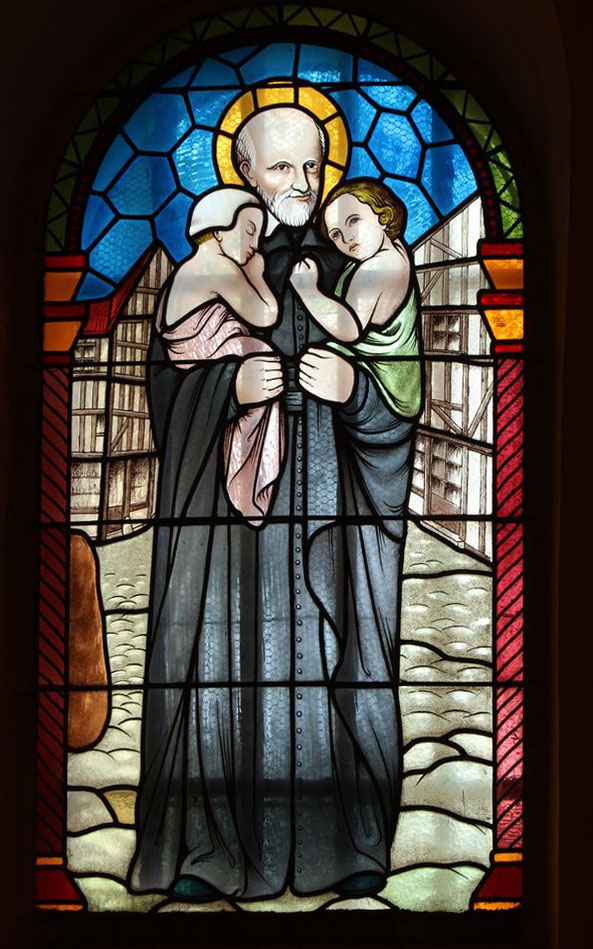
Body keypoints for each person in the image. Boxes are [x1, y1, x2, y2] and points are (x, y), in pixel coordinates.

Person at [129, 104, 423, 903]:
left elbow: (401, 395)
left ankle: (343, 843)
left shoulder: (353, 267)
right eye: (283, 166)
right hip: (228, 524)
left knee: (333, 655)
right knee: (220, 661)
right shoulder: (213, 266)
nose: (302, 182)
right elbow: (165, 392)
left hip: (331, 499)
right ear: (245, 173)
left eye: (313, 166)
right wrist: (227, 388)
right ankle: (211, 850)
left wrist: (355, 391)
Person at [155, 187, 285, 524]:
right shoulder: (217, 268)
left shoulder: (184, 272)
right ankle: (248, 487)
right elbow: (266, 314)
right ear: (218, 229)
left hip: (205, 374)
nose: (255, 243)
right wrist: (257, 275)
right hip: (213, 370)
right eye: (250, 230)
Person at [289, 178, 422, 420]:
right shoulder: (395, 250)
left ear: (383, 216)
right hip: (400, 381)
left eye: (354, 221)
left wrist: (308, 291)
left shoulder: (375, 270)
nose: (347, 238)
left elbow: (349, 329)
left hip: (383, 387)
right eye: (336, 234)